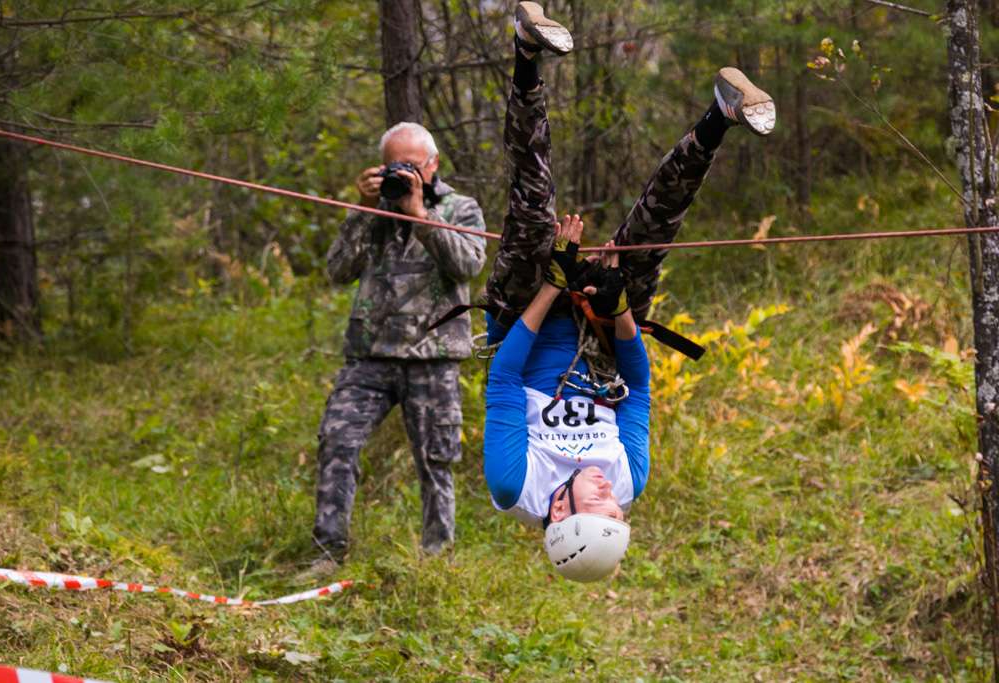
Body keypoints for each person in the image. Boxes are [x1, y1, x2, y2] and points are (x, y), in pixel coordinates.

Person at [482, 2, 776, 582]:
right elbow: (638, 386)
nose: (610, 492)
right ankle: (721, 114)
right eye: (617, 508)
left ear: (559, 510)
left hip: (523, 316)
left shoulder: (514, 482)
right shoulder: (626, 476)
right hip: (603, 333)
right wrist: (616, 311)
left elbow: (505, 378)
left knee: (533, 200)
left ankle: (524, 52)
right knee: (655, 227)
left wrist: (552, 284)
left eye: (600, 504)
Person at [303, 121, 488, 577]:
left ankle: (435, 560)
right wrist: (364, 208)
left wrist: (421, 214)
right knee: (337, 440)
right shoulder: (373, 209)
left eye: (411, 165)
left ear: (433, 164)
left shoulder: (461, 207)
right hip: (370, 356)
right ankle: (328, 554)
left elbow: (468, 264)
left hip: (434, 355)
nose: (402, 174)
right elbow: (338, 269)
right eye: (393, 165)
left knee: (436, 459)